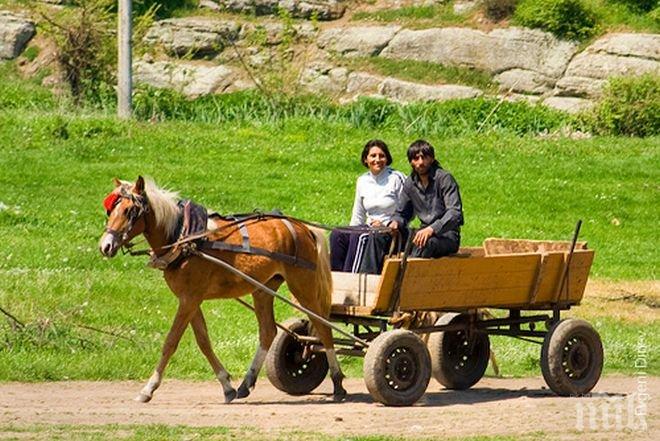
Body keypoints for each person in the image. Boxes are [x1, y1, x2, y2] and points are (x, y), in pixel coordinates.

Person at [330, 139, 406, 273]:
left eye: (381, 156)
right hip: (368, 226)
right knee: (338, 234)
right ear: (366, 159)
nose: (377, 159)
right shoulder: (362, 181)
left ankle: (351, 279)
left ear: (387, 158)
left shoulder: (396, 178)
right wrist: (350, 230)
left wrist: (386, 223)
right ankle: (335, 277)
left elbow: (406, 209)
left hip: (390, 231)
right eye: (373, 156)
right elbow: (358, 213)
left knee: (359, 236)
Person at [389, 139, 463, 258]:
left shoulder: (445, 179)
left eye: (424, 158)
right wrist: (395, 222)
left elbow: (454, 213)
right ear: (410, 162)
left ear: (432, 159)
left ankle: (408, 275)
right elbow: (401, 213)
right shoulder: (410, 183)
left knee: (423, 243)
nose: (420, 162)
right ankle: (367, 275)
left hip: (446, 235)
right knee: (381, 237)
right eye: (416, 159)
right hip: (422, 233)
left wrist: (432, 229)